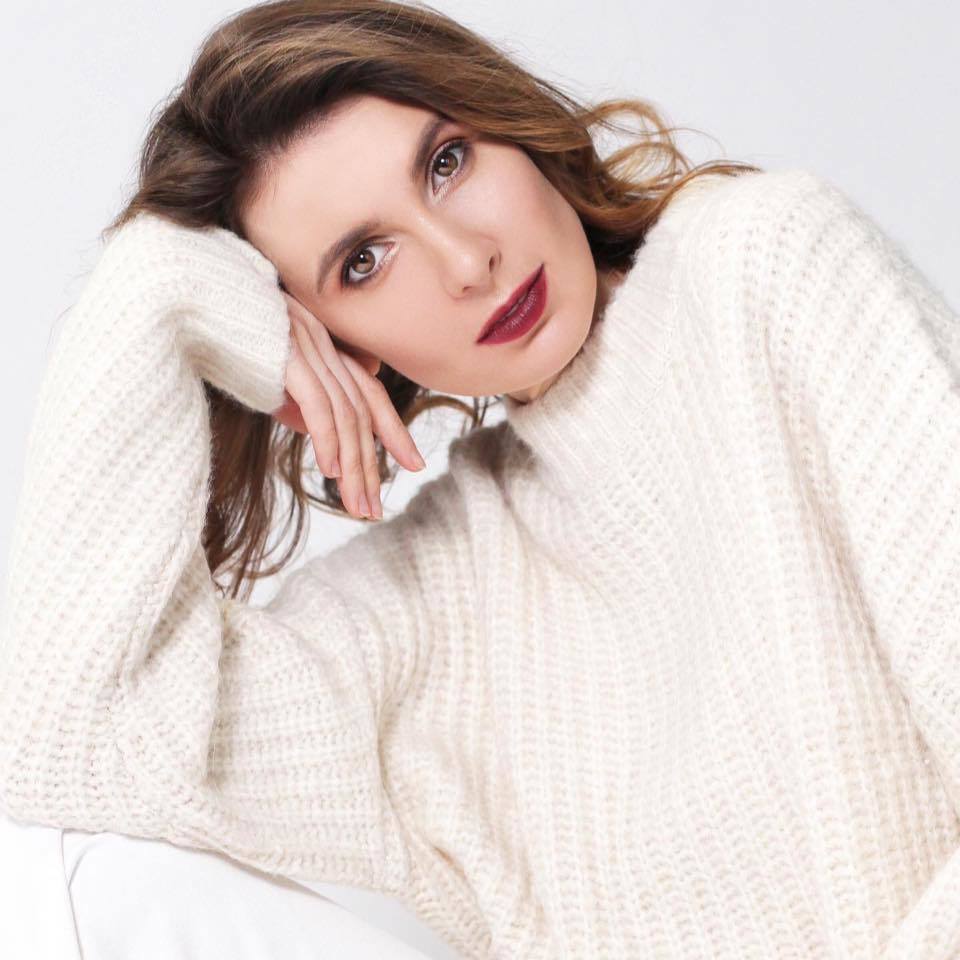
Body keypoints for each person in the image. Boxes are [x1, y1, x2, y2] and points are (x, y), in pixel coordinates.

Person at [1, 1, 958, 958]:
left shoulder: (767, 264)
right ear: (332, 344)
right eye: (364, 262)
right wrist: (155, 289)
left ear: (505, 118)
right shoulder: (436, 596)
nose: (467, 262)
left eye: (446, 162)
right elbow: (66, 749)